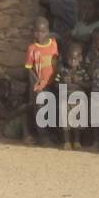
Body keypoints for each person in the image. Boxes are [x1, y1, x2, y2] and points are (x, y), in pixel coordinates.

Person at [24, 16, 60, 145]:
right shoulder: (32, 48)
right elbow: (29, 69)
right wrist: (37, 83)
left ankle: (52, 134)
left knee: (52, 108)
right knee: (39, 107)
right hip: (39, 85)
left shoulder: (54, 44)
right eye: (37, 31)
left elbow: (56, 63)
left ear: (48, 31)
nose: (40, 34)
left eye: (43, 32)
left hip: (52, 83)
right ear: (33, 31)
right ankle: (43, 136)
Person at [55, 39, 89, 150]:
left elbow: (88, 85)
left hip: (79, 101)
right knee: (65, 121)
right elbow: (56, 84)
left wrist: (78, 82)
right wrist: (62, 83)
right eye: (70, 58)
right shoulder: (62, 70)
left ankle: (77, 141)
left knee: (77, 122)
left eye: (75, 59)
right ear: (66, 58)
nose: (73, 61)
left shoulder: (82, 71)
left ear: (80, 59)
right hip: (65, 100)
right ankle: (67, 141)